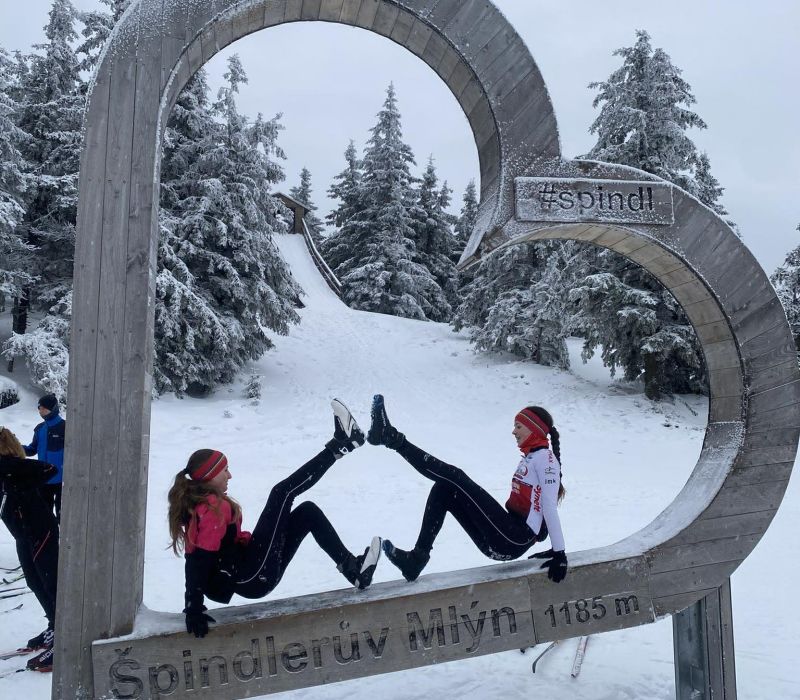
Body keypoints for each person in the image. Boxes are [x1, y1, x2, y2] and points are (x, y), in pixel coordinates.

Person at [169, 399, 382, 639]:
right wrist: (193, 609)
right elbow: (197, 560)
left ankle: (356, 572)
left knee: (307, 512)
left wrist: (194, 606)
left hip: (253, 571)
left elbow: (197, 558)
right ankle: (341, 445)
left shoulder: (208, 506)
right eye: (224, 470)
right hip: (251, 575)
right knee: (281, 493)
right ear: (209, 476)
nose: (230, 474)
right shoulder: (210, 509)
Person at [367, 395, 568, 584]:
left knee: (455, 477)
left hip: (513, 539)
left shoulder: (546, 460)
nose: (514, 431)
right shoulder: (533, 457)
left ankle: (391, 438)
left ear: (534, 429)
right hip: (504, 535)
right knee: (444, 488)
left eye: (518, 426)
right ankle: (416, 560)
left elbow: (549, 506)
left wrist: (559, 553)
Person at [0, 426, 60, 672]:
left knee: (51, 583)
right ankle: (55, 627)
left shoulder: (10, 465)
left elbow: (50, 469)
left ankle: (65, 635)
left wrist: (16, 472)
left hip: (40, 531)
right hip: (23, 535)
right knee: (35, 582)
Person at [23, 394, 65, 522]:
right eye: (39, 408)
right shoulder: (40, 428)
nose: (40, 411)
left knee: (63, 518)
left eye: (43, 408)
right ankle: (49, 541)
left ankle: (63, 541)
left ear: (53, 409)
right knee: (43, 518)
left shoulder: (66, 427)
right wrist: (14, 447)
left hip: (62, 481)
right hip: (43, 480)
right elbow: (32, 449)